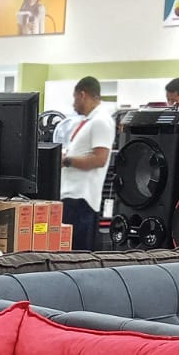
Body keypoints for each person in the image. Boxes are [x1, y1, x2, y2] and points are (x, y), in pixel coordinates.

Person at [59, 76, 112, 251]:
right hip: (72, 197)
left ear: (82, 95)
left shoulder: (101, 121)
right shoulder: (89, 122)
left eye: (74, 98)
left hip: (82, 199)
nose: (73, 104)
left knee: (77, 253)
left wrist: (66, 161)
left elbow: (99, 158)